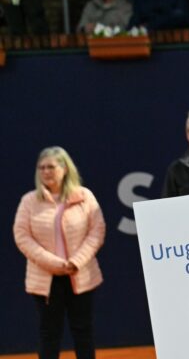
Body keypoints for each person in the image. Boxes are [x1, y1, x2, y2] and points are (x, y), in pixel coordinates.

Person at [13, 146, 105, 359]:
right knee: (49, 334)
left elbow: (97, 231)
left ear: (65, 168)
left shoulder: (85, 196)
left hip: (80, 275)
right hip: (46, 279)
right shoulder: (29, 201)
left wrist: (76, 262)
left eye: (51, 167)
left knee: (83, 332)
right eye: (41, 168)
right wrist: (54, 263)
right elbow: (22, 236)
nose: (45, 172)